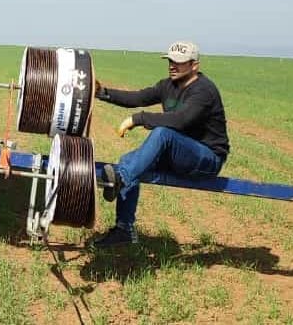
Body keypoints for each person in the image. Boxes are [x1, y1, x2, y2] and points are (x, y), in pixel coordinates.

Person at [92, 41, 229, 247]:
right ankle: (124, 229)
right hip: (180, 154)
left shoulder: (204, 91)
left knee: (162, 135)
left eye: (179, 62)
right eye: (171, 60)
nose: (173, 65)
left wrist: (138, 119)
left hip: (207, 158)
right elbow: (138, 97)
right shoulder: (167, 86)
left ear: (194, 65)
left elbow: (181, 120)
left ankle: (121, 178)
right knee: (129, 161)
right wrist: (101, 92)